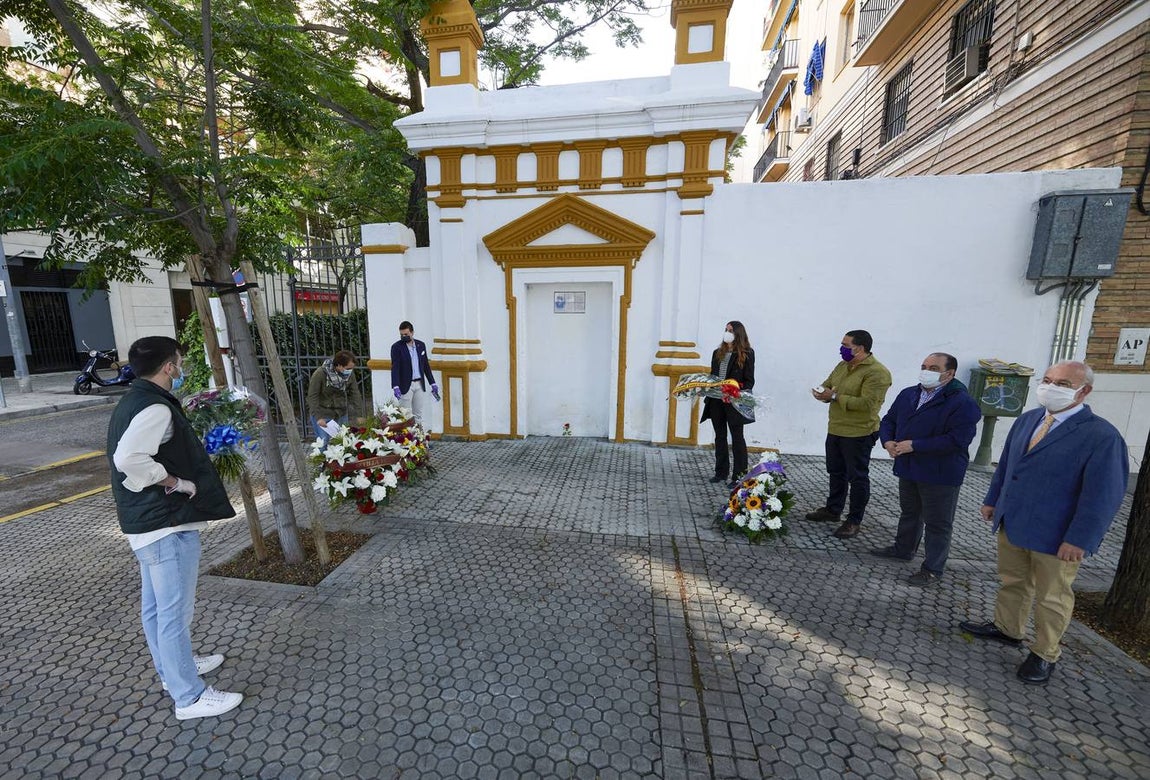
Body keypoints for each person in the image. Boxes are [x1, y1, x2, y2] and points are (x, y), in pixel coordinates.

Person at [959, 361, 1128, 685]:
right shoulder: (1029, 419)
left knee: (1052, 597)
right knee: (1013, 581)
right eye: (1048, 380)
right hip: (1015, 522)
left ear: (1084, 391)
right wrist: (994, 500)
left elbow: (1102, 495)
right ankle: (1008, 629)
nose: (1051, 387)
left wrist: (1080, 539)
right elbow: (1008, 465)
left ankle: (1044, 654)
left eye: (1063, 383)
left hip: (1058, 535)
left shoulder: (1101, 436)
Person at [107, 336, 243, 720]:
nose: (181, 369)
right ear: (169, 366)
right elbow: (128, 458)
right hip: (164, 524)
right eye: (179, 362)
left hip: (146, 525)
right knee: (173, 613)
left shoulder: (135, 398)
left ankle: (175, 669)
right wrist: (174, 482)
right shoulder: (155, 408)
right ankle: (189, 697)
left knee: (155, 610)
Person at [871, 353, 981, 586]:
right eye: (924, 366)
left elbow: (957, 439)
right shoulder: (909, 394)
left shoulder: (962, 402)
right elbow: (889, 420)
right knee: (910, 511)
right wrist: (887, 441)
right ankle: (903, 549)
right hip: (909, 466)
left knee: (938, 522)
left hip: (940, 472)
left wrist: (915, 445)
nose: (926, 371)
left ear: (949, 374)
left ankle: (932, 569)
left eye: (933, 367)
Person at [807, 330, 892, 539]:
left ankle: (854, 520)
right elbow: (828, 384)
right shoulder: (843, 365)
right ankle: (833, 510)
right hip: (836, 427)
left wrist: (834, 396)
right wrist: (822, 393)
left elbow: (868, 404)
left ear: (860, 348)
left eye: (846, 345)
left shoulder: (877, 372)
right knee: (836, 471)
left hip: (859, 432)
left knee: (857, 477)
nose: (842, 348)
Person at [700, 321, 755, 490]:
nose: (727, 333)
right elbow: (712, 376)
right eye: (725, 330)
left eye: (730, 330)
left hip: (734, 402)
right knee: (720, 436)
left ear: (738, 334)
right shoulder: (718, 353)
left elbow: (749, 381)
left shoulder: (747, 354)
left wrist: (732, 388)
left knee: (737, 438)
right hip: (716, 401)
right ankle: (720, 472)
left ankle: (739, 475)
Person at [307, 350, 363, 444]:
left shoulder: (349, 375)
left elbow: (355, 394)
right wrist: (318, 417)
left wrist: (359, 414)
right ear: (339, 365)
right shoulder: (320, 374)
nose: (350, 371)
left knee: (342, 442)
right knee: (323, 443)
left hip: (340, 412)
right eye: (348, 368)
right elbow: (313, 396)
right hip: (323, 413)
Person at [390, 321, 438, 424]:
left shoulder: (421, 345)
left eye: (406, 334)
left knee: (418, 414)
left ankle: (419, 438)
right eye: (401, 334)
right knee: (406, 415)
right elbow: (395, 367)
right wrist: (395, 386)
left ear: (412, 333)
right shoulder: (396, 347)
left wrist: (432, 383)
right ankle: (408, 439)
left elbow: (425, 365)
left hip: (419, 384)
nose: (403, 336)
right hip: (406, 384)